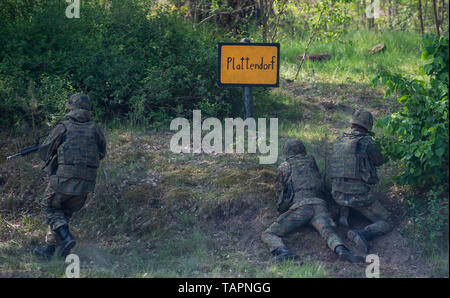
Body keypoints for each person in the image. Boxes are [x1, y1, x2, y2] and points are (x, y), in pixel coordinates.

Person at [261, 139, 362, 263]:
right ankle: (341, 250)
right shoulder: (311, 161)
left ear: (286, 152)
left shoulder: (285, 166)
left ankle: (283, 251)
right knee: (328, 232)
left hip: (301, 209)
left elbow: (279, 191)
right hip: (320, 206)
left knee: (269, 233)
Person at [33, 93, 106, 259]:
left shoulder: (63, 126)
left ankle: (66, 238)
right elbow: (101, 152)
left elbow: (44, 151)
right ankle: (50, 251)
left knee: (49, 206)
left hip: (64, 179)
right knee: (62, 214)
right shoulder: (95, 129)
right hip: (87, 182)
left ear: (71, 107)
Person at [330, 109, 393, 253]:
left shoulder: (338, 140)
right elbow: (379, 161)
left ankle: (344, 214)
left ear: (352, 123)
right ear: (368, 126)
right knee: (387, 222)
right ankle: (362, 234)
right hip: (359, 197)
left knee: (347, 185)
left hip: (337, 193)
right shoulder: (367, 142)